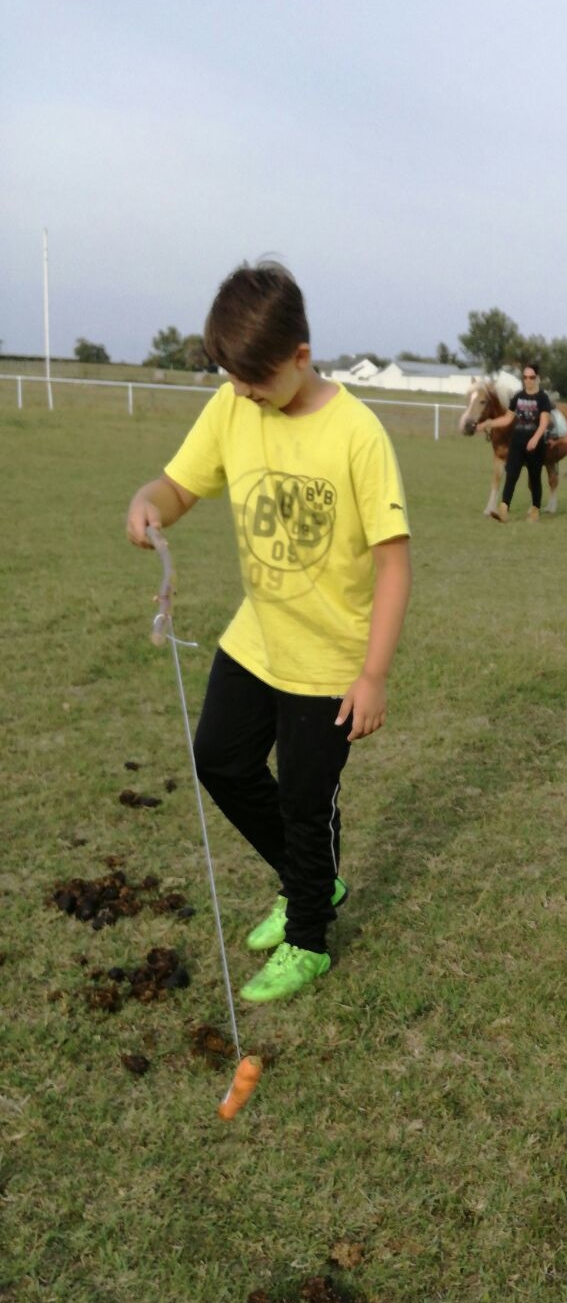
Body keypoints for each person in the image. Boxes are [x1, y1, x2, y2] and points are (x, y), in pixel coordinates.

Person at [125, 262, 412, 1003]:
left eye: (256, 378)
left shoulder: (357, 434)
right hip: (256, 641)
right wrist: (149, 502)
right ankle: (309, 881)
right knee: (219, 759)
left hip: (329, 665)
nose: (244, 391)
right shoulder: (233, 406)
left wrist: (373, 675)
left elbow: (393, 564)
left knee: (304, 804)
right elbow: (182, 485)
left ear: (301, 357)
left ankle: (309, 937)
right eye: (232, 377)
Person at [480, 362, 552, 522]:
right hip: (517, 442)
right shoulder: (518, 397)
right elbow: (507, 419)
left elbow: (544, 422)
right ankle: (503, 509)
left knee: (534, 478)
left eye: (531, 377)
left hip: (535, 444)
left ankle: (535, 509)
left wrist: (535, 438)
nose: (528, 380)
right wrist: (487, 424)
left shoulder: (543, 398)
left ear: (537, 378)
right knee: (511, 474)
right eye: (525, 377)